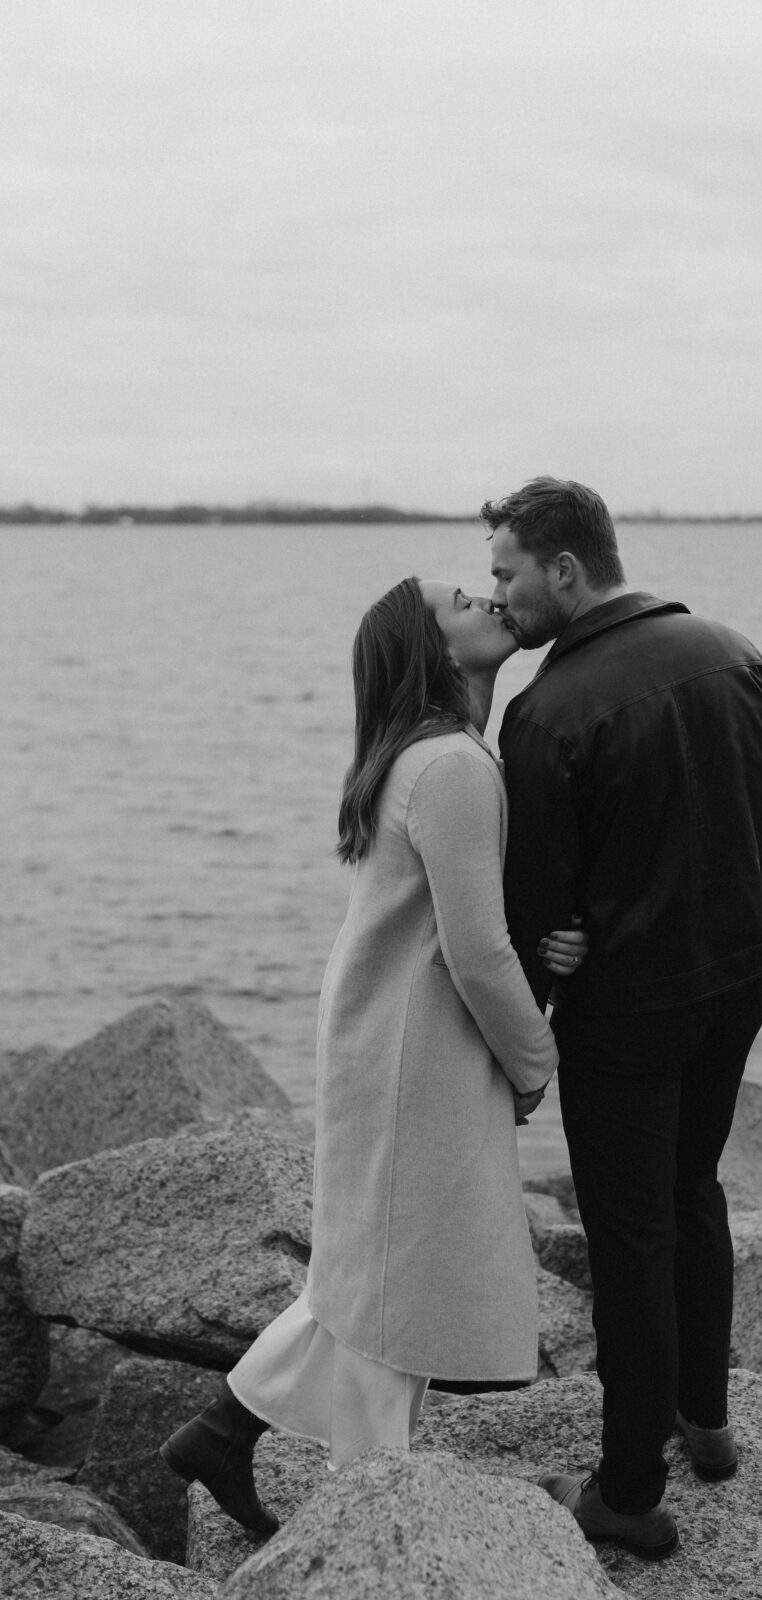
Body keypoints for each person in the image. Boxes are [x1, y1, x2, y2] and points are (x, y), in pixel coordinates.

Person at [160, 575, 585, 1534]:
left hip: (384, 1041)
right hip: (413, 1055)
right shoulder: (452, 767)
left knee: (371, 1274)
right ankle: (377, 1515)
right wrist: (536, 1058)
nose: (486, 601)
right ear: (435, 654)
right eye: (461, 602)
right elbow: (477, 949)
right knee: (394, 1285)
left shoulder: (421, 757)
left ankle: (226, 1436)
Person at [483, 477, 762, 1561]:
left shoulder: (545, 713)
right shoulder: (733, 651)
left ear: (565, 570)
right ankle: (704, 1420)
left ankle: (625, 1488)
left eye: (507, 573)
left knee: (629, 1233)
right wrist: (739, 930)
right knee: (690, 1188)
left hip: (625, 1008)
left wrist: (548, 982)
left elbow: (533, 903)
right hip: (735, 980)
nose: (499, 596)